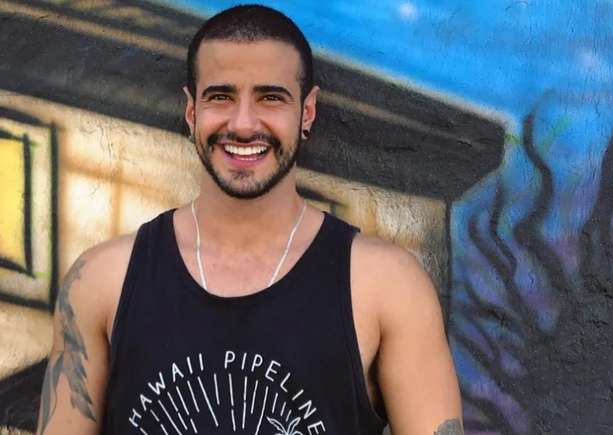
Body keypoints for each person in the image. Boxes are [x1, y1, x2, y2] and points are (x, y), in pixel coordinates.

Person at [36, 4, 462, 435]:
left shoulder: (387, 286)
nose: (242, 124)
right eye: (221, 97)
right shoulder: (102, 281)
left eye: (270, 98)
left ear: (307, 112)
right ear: (192, 111)